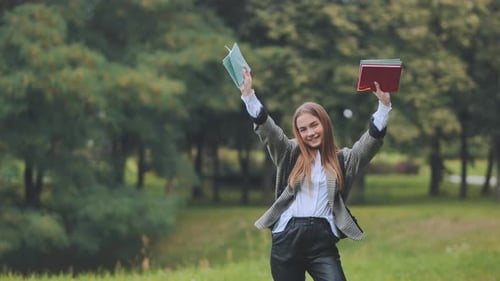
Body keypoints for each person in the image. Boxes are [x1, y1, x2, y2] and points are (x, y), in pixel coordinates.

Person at [238, 67, 392, 281]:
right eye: (303, 129)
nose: (310, 133)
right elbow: (269, 132)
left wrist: (384, 106)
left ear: (324, 124)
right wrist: (249, 96)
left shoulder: (343, 160)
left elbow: (369, 144)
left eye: (313, 125)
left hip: (322, 242)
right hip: (287, 239)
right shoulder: (289, 153)